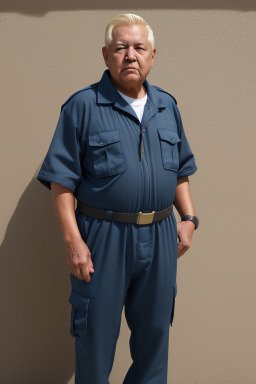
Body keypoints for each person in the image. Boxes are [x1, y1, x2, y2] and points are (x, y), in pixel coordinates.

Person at [36, 13, 199, 384]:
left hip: (160, 235)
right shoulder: (82, 107)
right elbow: (61, 182)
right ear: (106, 54)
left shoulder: (166, 107)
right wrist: (73, 241)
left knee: (155, 340)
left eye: (139, 47)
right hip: (103, 237)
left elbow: (180, 171)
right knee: (95, 340)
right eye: (121, 47)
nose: (130, 55)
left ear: (152, 55)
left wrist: (188, 219)